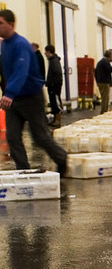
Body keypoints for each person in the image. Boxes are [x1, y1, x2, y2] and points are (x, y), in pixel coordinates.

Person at [0, 10, 67, 174]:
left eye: (0, 23)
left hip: (30, 97)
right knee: (13, 137)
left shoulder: (20, 44)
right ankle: (23, 172)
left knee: (39, 136)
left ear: (11, 24)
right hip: (14, 99)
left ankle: (62, 159)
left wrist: (9, 92)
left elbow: (21, 71)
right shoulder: (4, 45)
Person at [44, 44, 63, 127]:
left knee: (56, 102)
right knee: (53, 102)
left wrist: (52, 83)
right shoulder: (52, 60)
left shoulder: (54, 61)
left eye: (46, 52)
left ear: (48, 52)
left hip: (54, 86)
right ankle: (55, 119)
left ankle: (57, 120)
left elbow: (57, 73)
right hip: (53, 85)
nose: (45, 53)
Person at [95, 48, 112, 114]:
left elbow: (95, 72)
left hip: (100, 81)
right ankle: (104, 111)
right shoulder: (105, 62)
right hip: (104, 82)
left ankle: (104, 110)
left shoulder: (100, 62)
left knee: (104, 97)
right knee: (105, 98)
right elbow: (110, 70)